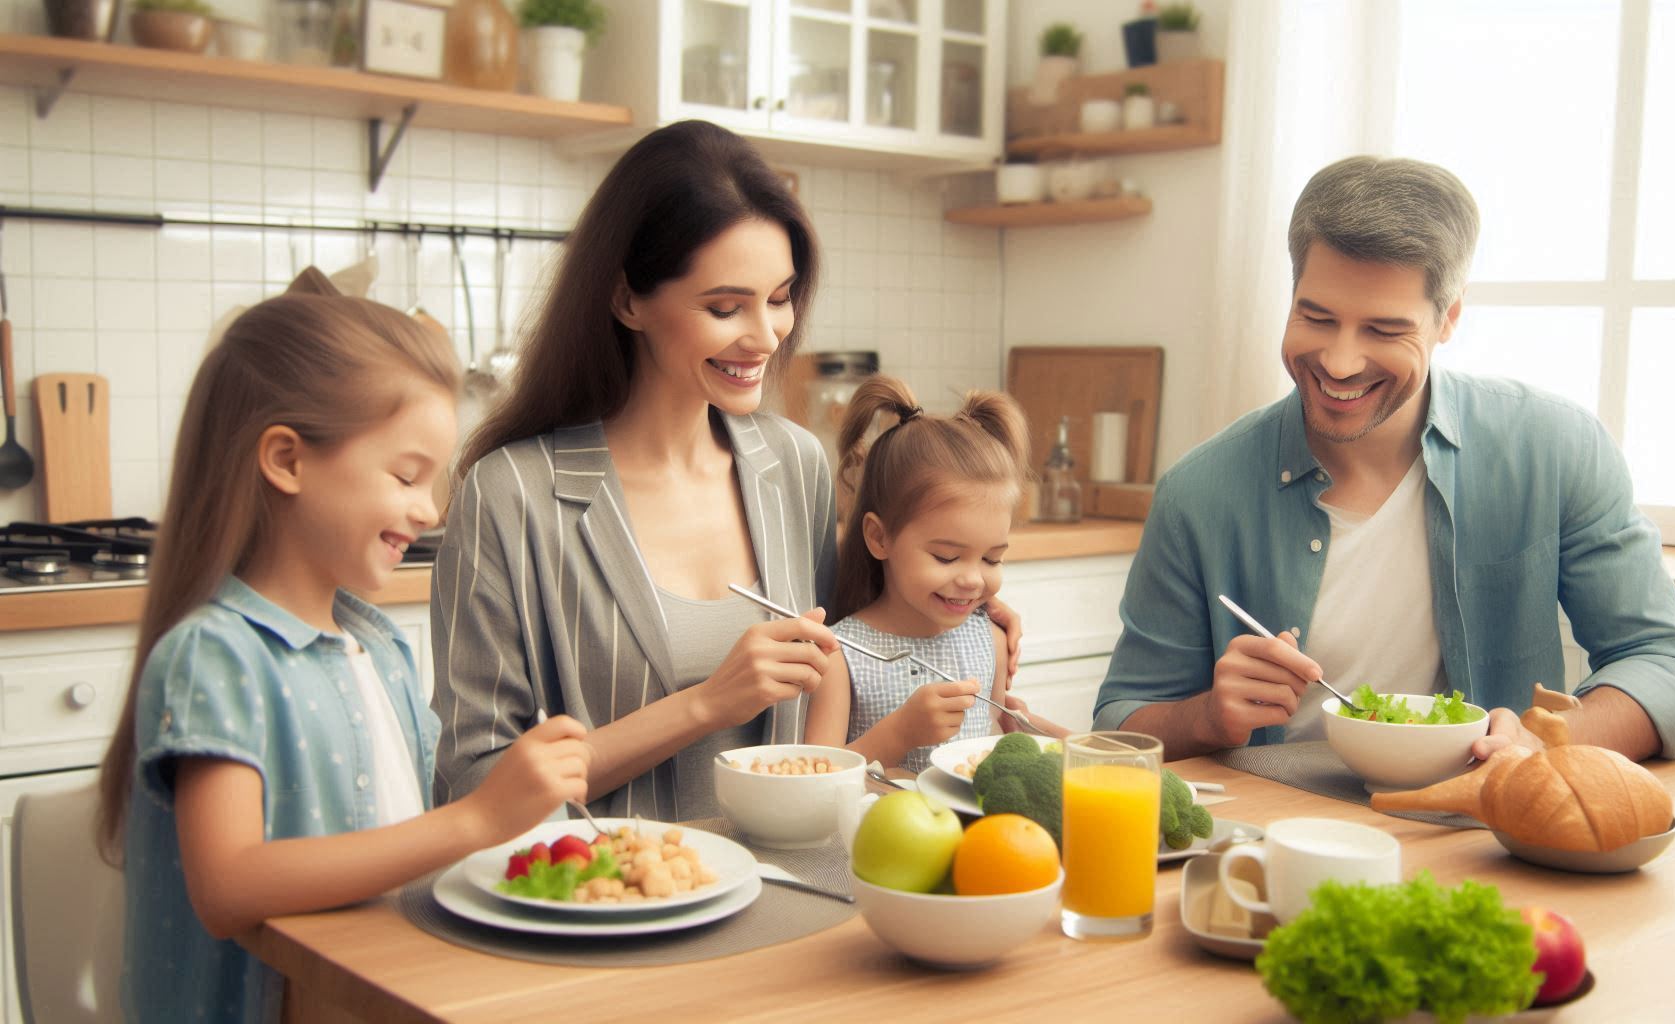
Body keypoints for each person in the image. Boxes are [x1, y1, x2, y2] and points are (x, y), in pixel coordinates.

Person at [431, 121, 1024, 819]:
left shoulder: (794, 465)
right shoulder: (512, 495)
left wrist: (956, 616)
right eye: (724, 307)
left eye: (779, 298)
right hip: (613, 903)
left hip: (795, 882)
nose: (768, 334)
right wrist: (706, 704)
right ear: (627, 300)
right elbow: (474, 784)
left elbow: (851, 669)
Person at [1094, 156, 1675, 764]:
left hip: (1484, 834)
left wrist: (1542, 742)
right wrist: (1206, 717)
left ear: (1449, 319)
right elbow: (1120, 724)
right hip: (1275, 833)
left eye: (1384, 330)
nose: (1338, 362)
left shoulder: (1555, 448)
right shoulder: (1199, 491)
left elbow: (1665, 669)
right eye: (1316, 316)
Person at [96, 281, 593, 1023]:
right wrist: (474, 821)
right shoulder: (218, 655)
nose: (429, 511)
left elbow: (401, 845)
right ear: (287, 460)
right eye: (406, 476)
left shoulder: (378, 645)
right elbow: (227, 885)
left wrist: (514, 810)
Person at [805, 376, 1067, 775]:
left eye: (992, 560)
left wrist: (1024, 732)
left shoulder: (991, 642)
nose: (973, 580)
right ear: (879, 538)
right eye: (947, 557)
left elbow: (990, 748)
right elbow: (812, 777)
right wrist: (897, 735)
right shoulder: (840, 655)